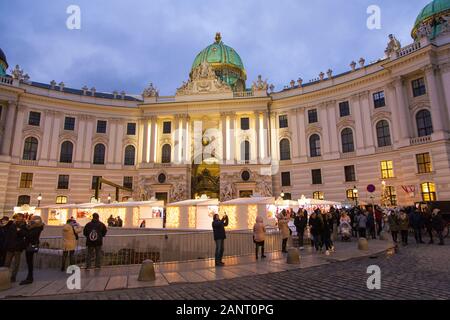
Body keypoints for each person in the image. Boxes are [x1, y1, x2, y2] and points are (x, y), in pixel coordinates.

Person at [20, 216, 44, 285]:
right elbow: (26, 232)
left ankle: (30, 278)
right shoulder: (34, 227)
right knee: (29, 261)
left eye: (33, 220)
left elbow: (29, 235)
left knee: (29, 261)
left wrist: (22, 230)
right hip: (30, 245)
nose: (31, 221)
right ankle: (29, 277)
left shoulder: (37, 228)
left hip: (31, 246)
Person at [3, 213, 28, 282]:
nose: (19, 218)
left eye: (20, 217)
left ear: (22, 218)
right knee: (7, 262)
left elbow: (25, 234)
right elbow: (6, 232)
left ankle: (13, 277)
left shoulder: (24, 225)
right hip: (10, 246)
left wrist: (19, 230)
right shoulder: (11, 224)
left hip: (18, 247)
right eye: (17, 217)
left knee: (16, 263)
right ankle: (5, 276)